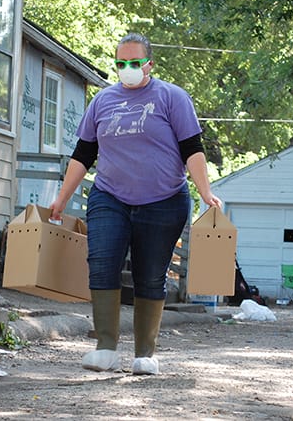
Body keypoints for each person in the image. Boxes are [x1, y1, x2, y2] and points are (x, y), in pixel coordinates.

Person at [49, 32, 222, 375]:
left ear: (149, 64)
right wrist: (61, 198)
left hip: (164, 201)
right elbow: (83, 154)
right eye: (120, 63)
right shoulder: (102, 101)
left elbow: (192, 149)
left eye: (134, 62)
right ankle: (106, 349)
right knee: (101, 263)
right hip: (109, 196)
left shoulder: (172, 98)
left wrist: (205, 191)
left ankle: (145, 354)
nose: (127, 69)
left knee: (149, 275)